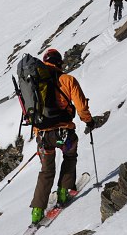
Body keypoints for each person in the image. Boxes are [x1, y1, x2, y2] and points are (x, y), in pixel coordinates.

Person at [30, 48, 94, 225]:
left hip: (42, 136)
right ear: (60, 62)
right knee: (69, 156)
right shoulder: (68, 80)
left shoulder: (35, 82)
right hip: (64, 133)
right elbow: (81, 107)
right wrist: (88, 121)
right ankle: (64, 192)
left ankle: (37, 211)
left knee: (46, 171)